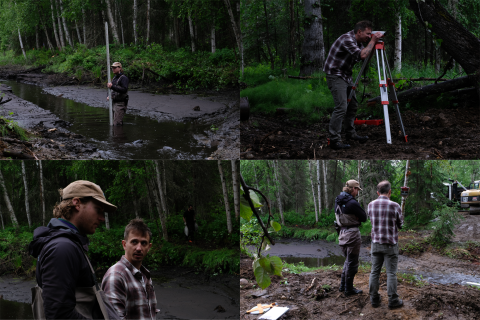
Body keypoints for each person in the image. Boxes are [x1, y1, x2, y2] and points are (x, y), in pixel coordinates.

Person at [28, 180, 117, 319]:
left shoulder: (69, 244)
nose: (101, 218)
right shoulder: (62, 248)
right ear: (77, 203)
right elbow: (59, 315)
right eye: (98, 210)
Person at [323, 20, 384, 150]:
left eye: (370, 34)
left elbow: (366, 57)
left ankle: (350, 133)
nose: (369, 36)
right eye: (368, 34)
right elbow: (362, 55)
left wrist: (372, 44)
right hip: (335, 74)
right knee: (341, 107)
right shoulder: (347, 39)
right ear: (359, 31)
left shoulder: (359, 42)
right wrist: (372, 41)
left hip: (346, 75)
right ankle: (334, 140)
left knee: (353, 105)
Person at [101, 219, 158, 320]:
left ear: (149, 247)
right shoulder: (116, 276)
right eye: (134, 242)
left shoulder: (145, 275)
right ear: (124, 244)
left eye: (143, 243)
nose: (139, 248)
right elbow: (114, 318)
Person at [367, 180, 404, 309]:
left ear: (378, 192)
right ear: (389, 192)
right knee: (391, 273)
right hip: (390, 244)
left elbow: (371, 220)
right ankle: (393, 300)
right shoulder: (395, 206)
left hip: (376, 243)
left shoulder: (370, 205)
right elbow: (400, 225)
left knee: (374, 272)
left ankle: (374, 299)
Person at [335, 180, 367, 296]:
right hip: (352, 234)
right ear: (353, 189)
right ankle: (349, 289)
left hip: (342, 233)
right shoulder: (352, 203)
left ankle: (342, 286)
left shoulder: (337, 201)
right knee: (352, 263)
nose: (357, 192)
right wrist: (356, 218)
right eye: (357, 189)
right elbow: (364, 217)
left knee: (347, 261)